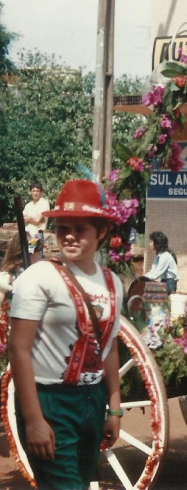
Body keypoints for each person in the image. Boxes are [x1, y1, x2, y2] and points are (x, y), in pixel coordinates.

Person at [8, 179, 123, 489]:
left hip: (92, 399)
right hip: (49, 400)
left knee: (81, 484)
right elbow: (18, 349)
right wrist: (33, 419)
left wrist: (114, 408)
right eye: (62, 228)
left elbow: (109, 347)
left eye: (80, 228)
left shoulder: (113, 283)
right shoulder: (39, 277)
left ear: (101, 232)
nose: (69, 236)